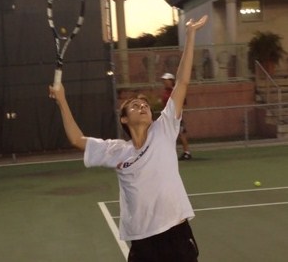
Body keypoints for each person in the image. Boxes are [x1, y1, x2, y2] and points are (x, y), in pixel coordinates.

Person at [49, 15, 208, 262]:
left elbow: (182, 81)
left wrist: (190, 36)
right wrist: (61, 100)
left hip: (175, 235)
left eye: (145, 105)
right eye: (134, 106)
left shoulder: (163, 131)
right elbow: (77, 139)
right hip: (143, 241)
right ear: (123, 119)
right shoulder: (118, 151)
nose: (142, 106)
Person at [161, 72, 192, 160]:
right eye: (164, 81)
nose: (165, 82)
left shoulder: (175, 90)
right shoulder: (165, 92)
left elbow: (183, 102)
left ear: (171, 81)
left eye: (166, 80)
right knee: (169, 135)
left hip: (176, 117)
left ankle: (187, 152)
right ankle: (171, 152)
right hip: (168, 117)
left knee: (181, 134)